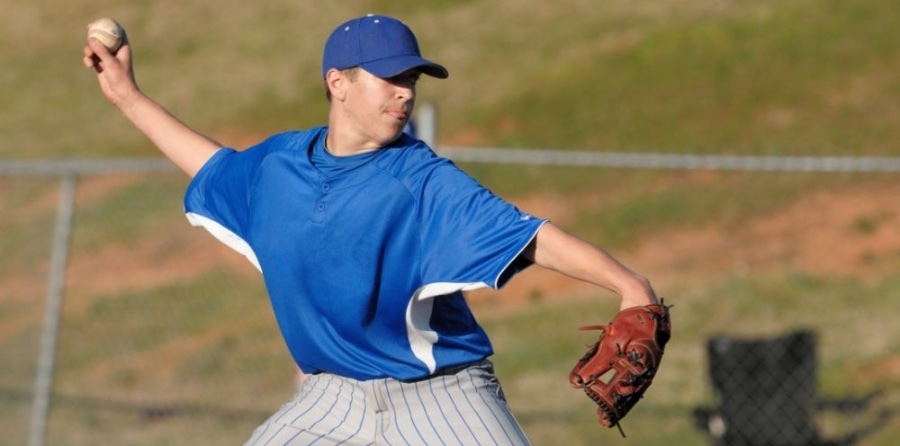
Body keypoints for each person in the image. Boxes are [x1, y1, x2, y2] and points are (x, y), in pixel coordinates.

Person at [84, 14, 659, 445]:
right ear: (338, 82)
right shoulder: (277, 168)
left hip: (442, 398)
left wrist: (630, 287)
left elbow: (530, 237)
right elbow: (209, 164)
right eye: (389, 77)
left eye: (411, 77)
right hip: (328, 399)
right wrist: (126, 96)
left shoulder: (422, 181)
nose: (405, 91)